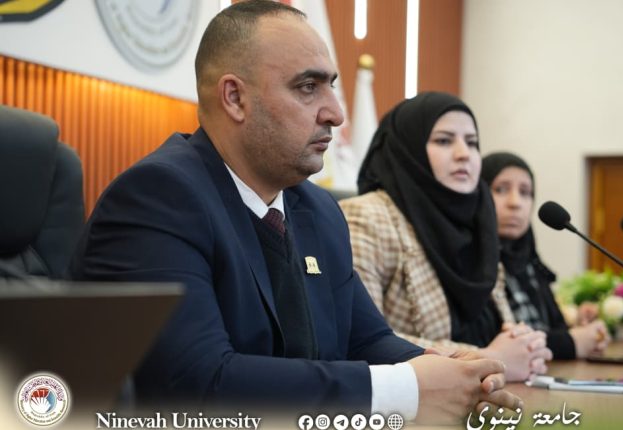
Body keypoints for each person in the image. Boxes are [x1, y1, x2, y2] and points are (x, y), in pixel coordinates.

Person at [69, 1, 520, 423]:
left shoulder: (318, 209)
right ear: (235, 98)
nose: (336, 113)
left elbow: (365, 340)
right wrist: (406, 389)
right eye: (308, 87)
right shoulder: (159, 197)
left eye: (332, 86)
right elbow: (198, 385)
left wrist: (450, 373)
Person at [339, 92, 552, 382]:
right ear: (408, 149)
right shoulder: (367, 217)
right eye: (444, 141)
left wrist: (528, 348)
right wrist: (490, 359)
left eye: (472, 142)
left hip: (491, 396)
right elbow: (362, 338)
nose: (464, 153)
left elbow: (504, 332)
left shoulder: (478, 225)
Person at [481, 151, 610, 359]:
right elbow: (489, 344)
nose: (515, 202)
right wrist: (570, 342)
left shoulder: (530, 264)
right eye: (501, 189)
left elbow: (547, 327)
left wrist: (577, 326)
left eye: (525, 192)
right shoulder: (471, 263)